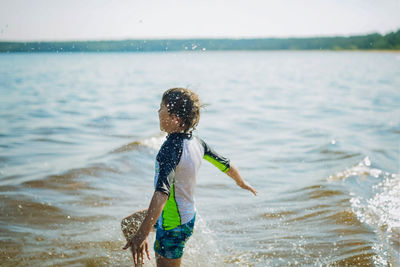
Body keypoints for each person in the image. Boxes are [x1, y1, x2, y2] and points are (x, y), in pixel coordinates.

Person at [123, 88, 257, 266]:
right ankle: (138, 259)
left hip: (172, 226)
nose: (158, 112)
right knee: (129, 224)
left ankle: (140, 241)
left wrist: (143, 233)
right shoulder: (197, 142)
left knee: (138, 232)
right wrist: (241, 182)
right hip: (184, 217)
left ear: (175, 118)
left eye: (161, 108)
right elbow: (227, 165)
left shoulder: (169, 149)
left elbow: (162, 193)